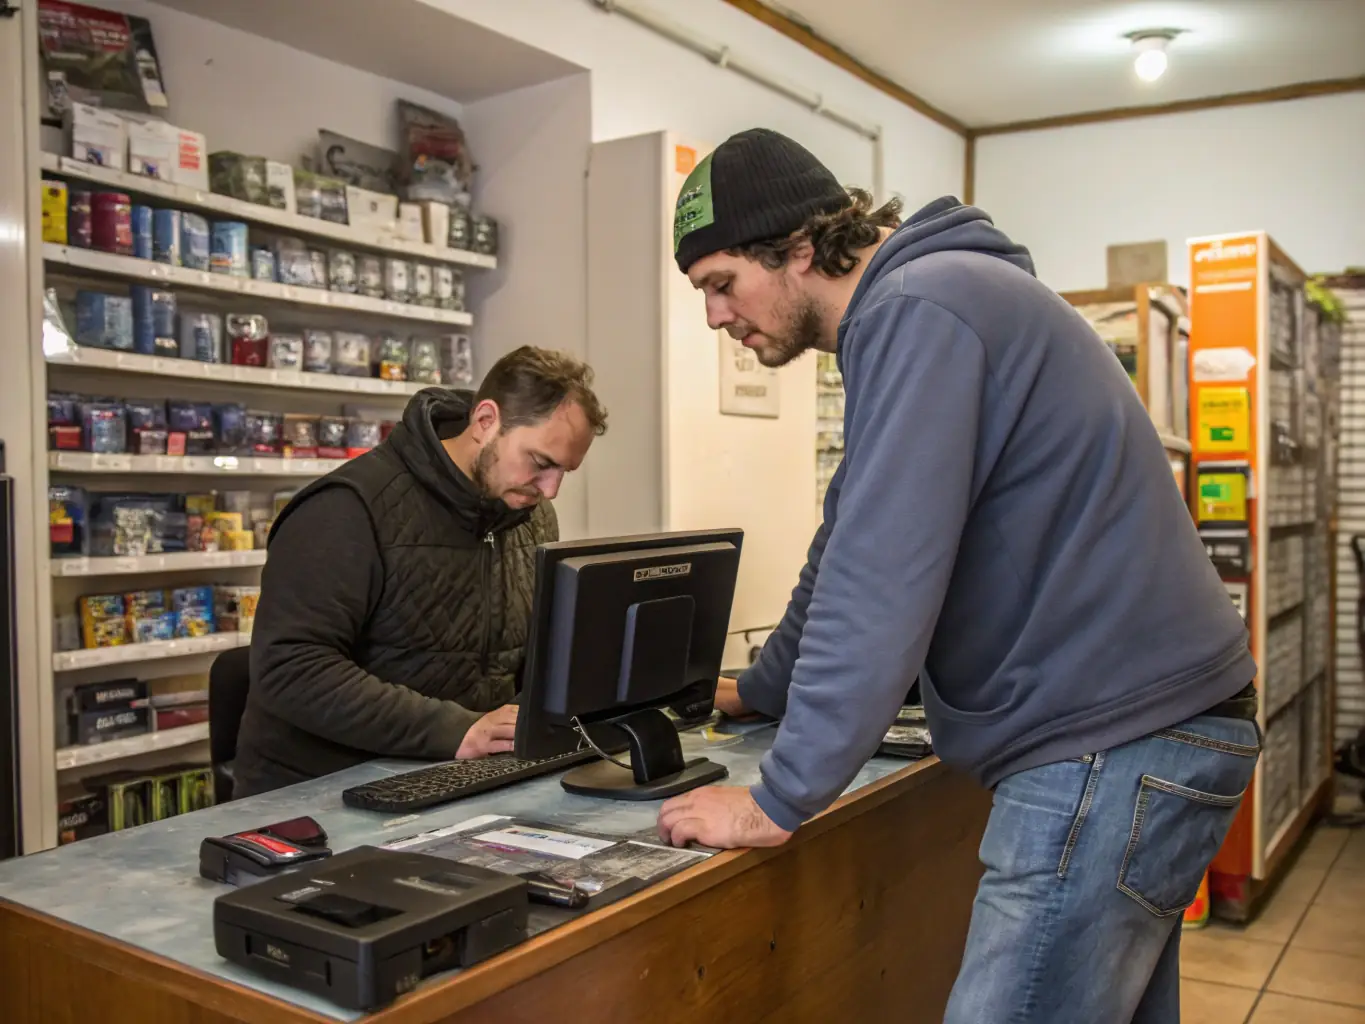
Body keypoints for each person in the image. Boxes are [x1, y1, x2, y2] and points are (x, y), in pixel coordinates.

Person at [656, 128, 1259, 1023]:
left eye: (718, 285)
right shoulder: (926, 306)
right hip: (1152, 731)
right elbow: (847, 541)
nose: (714, 316)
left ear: (793, 248)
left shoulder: (919, 307)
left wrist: (776, 799)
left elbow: (880, 577)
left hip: (1106, 742)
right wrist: (757, 690)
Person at [233, 345, 607, 798]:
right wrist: (455, 730)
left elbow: (526, 660)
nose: (551, 490)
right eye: (541, 463)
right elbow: (290, 668)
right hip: (321, 794)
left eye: (564, 471)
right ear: (486, 421)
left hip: (453, 781)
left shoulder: (528, 514)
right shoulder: (347, 509)